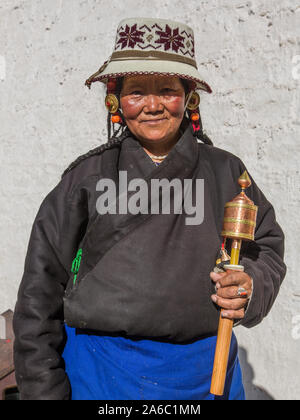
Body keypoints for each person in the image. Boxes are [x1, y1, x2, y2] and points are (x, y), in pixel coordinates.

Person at [13, 17, 286, 400]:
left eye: (168, 91)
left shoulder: (226, 173)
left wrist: (250, 285)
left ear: (189, 97)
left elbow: (265, 248)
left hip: (205, 373)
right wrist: (43, 389)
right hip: (102, 375)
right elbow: (38, 293)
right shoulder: (86, 179)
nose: (153, 105)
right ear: (115, 99)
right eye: (137, 91)